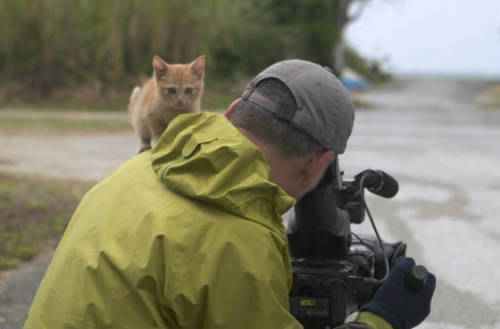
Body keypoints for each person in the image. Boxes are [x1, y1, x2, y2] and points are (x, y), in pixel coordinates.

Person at [24, 59, 435, 329]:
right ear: (319, 163)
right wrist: (385, 318)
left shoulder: (128, 176)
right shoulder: (239, 242)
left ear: (234, 111)